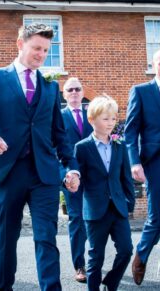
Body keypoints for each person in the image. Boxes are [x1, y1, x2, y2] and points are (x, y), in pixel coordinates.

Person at [0, 23, 80, 291]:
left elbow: (59, 133)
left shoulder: (50, 87)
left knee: (46, 237)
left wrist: (71, 167)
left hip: (44, 173)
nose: (42, 55)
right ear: (20, 44)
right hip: (9, 171)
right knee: (7, 238)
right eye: (36, 49)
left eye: (46, 50)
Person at [74, 95, 135, 291]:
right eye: (105, 118)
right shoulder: (82, 148)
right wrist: (80, 208)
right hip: (95, 210)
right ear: (92, 120)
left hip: (118, 208)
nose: (110, 123)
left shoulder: (120, 146)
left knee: (126, 250)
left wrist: (129, 203)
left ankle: (110, 283)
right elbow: (78, 181)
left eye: (113, 118)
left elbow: (126, 178)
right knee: (96, 257)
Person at [125, 47, 160, 286]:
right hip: (155, 161)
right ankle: (141, 253)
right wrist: (134, 161)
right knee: (158, 216)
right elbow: (130, 132)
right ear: (153, 64)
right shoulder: (141, 91)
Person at [59, 77, 93, 283]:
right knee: (77, 219)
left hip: (94, 176)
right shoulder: (59, 117)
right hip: (71, 177)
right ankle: (79, 265)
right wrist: (65, 173)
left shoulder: (92, 114)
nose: (73, 92)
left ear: (82, 92)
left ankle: (95, 260)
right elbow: (54, 147)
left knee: (96, 218)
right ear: (64, 94)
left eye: (77, 89)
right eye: (69, 89)